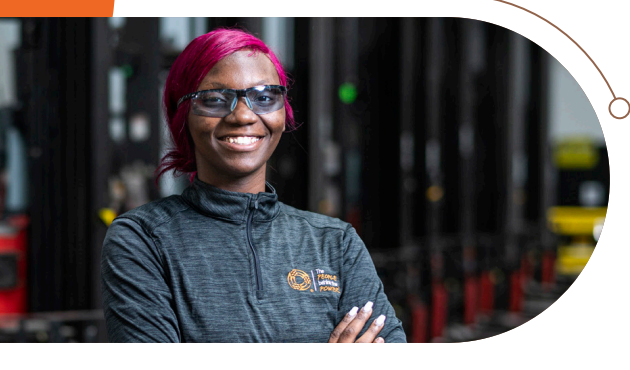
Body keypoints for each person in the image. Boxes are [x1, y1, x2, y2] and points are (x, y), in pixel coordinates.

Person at [101, 28, 406, 343]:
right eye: (215, 99)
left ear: (281, 115)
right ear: (184, 117)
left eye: (264, 97)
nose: (243, 115)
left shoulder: (335, 242)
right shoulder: (143, 240)